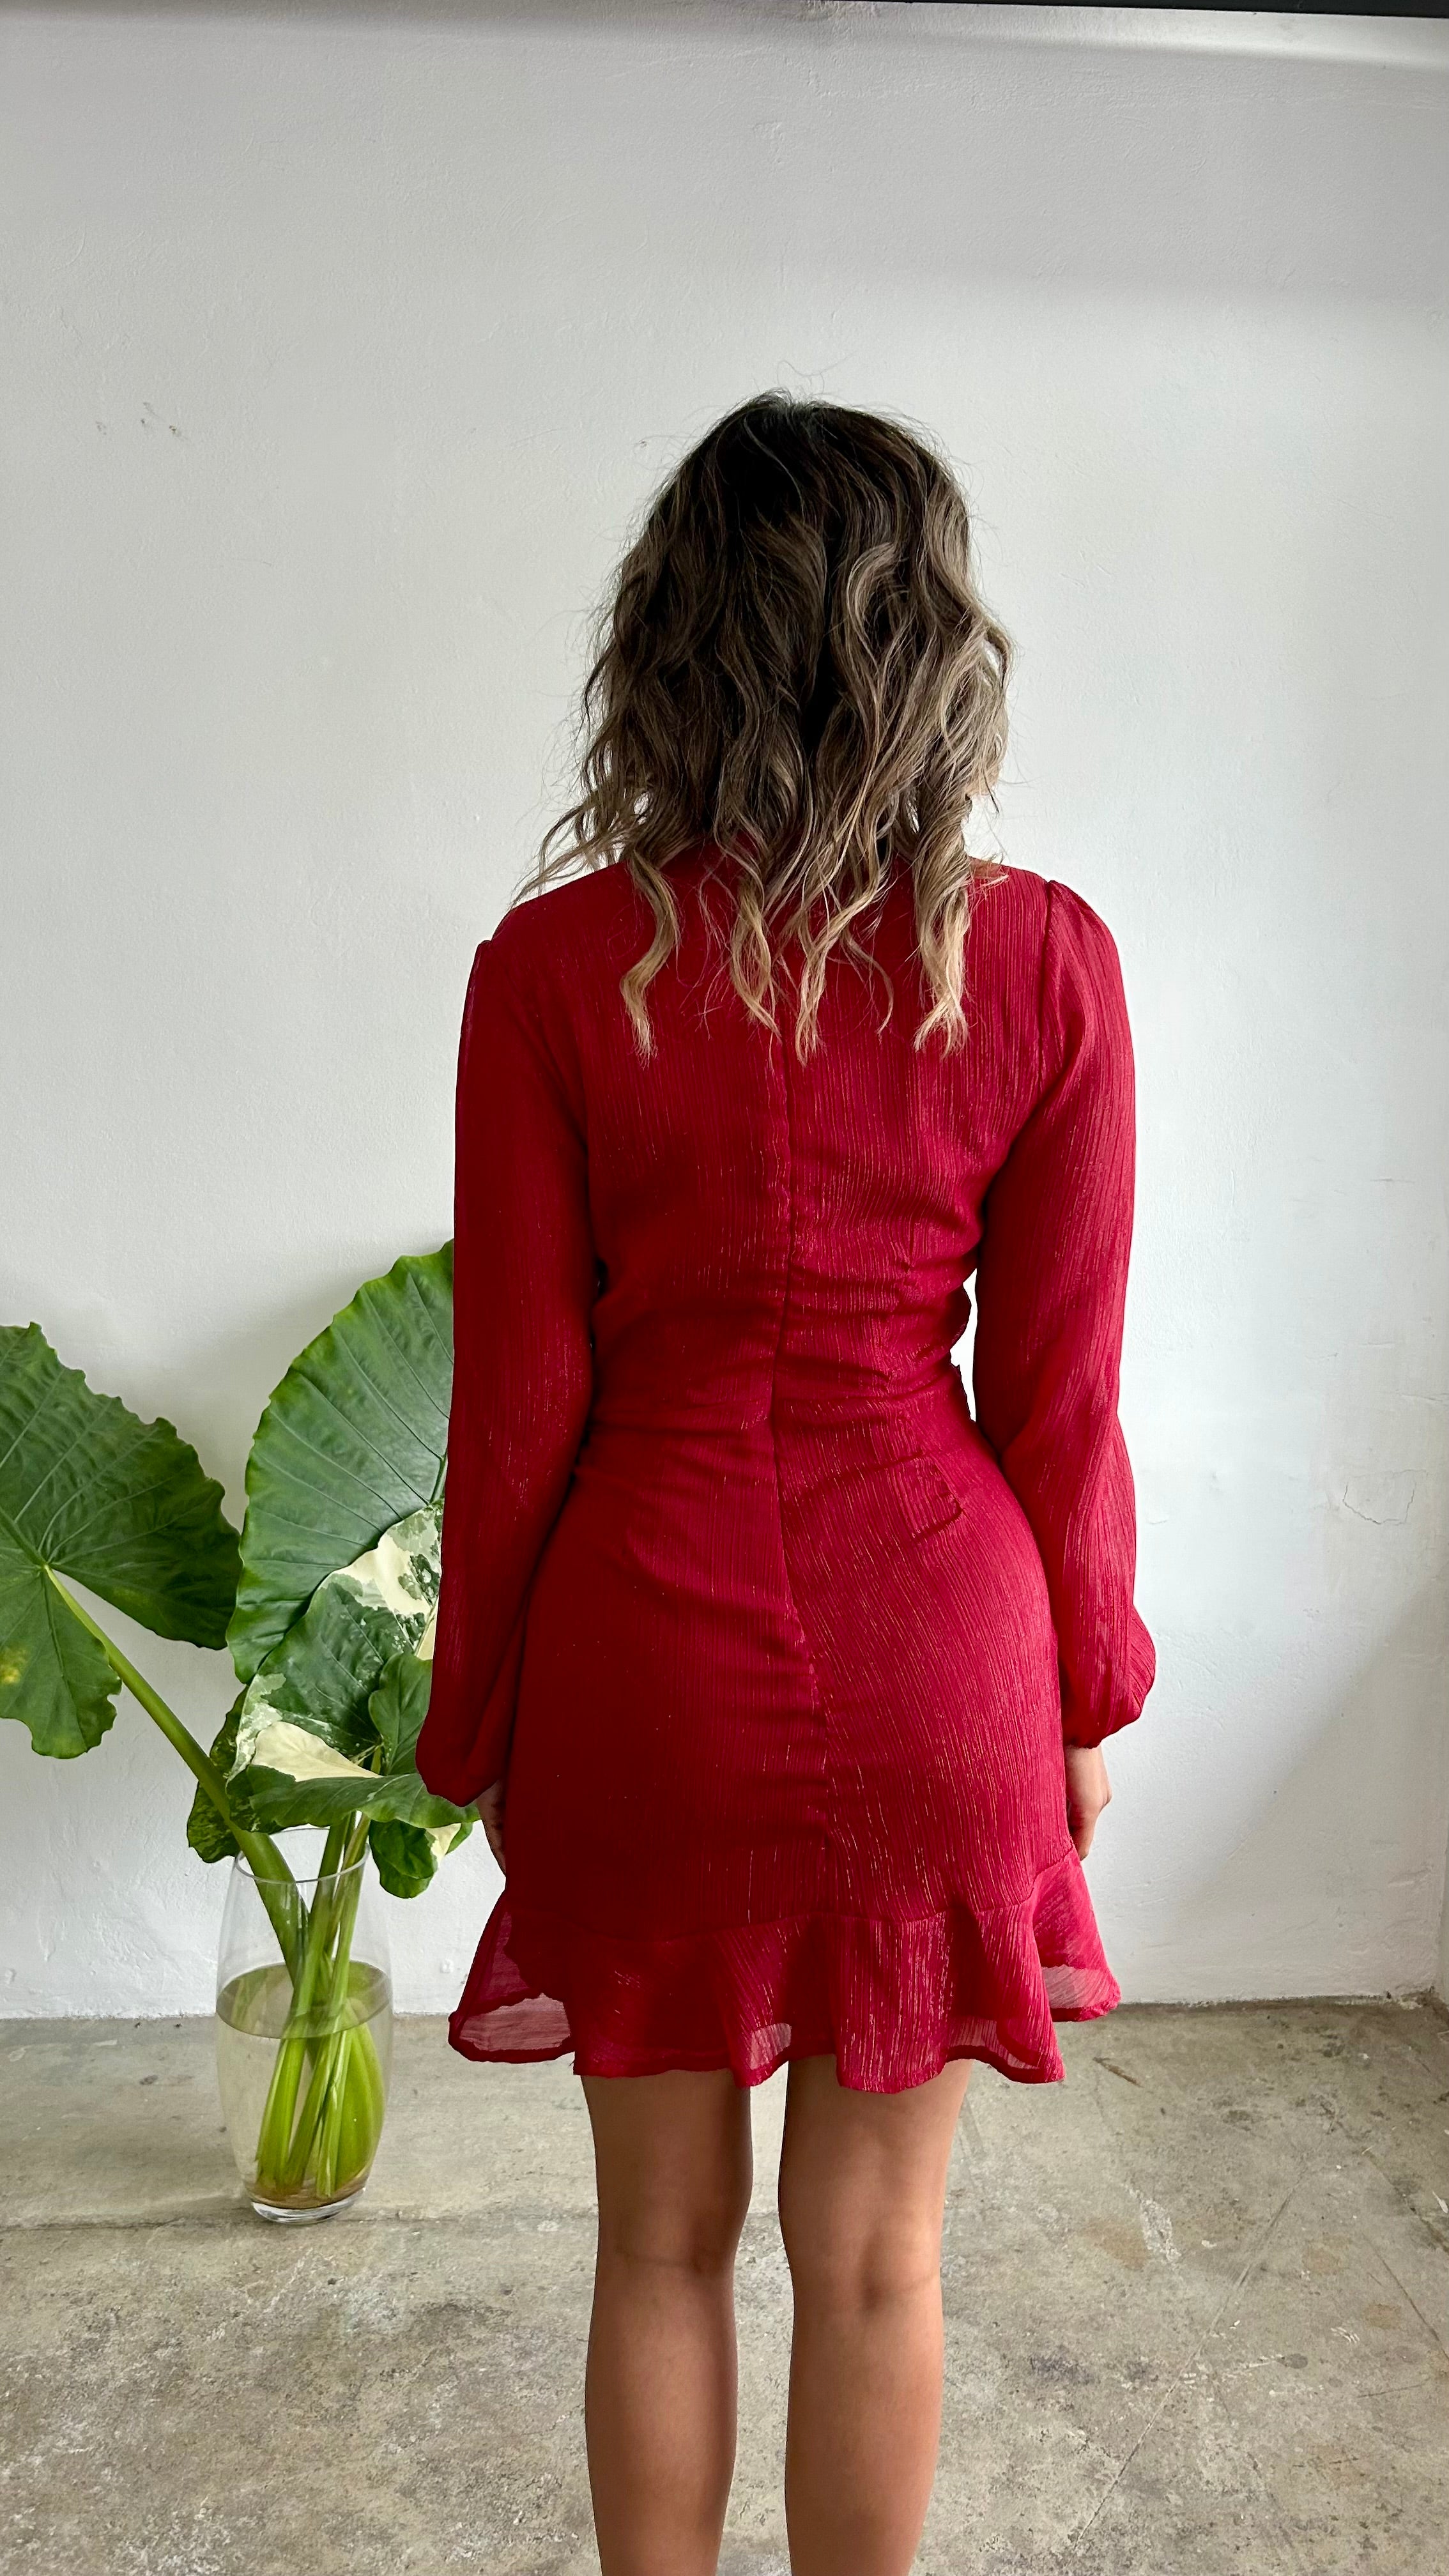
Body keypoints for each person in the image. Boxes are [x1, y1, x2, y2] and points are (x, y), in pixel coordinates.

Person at [415, 392, 1156, 2576]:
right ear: (936, 650)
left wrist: (478, 1727)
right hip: (939, 1650)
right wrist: (1083, 1698)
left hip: (640, 1661)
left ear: (664, 648)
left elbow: (516, 1412)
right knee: (874, 2267)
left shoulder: (551, 977)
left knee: (655, 2253)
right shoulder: (1039, 964)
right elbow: (1056, 1395)